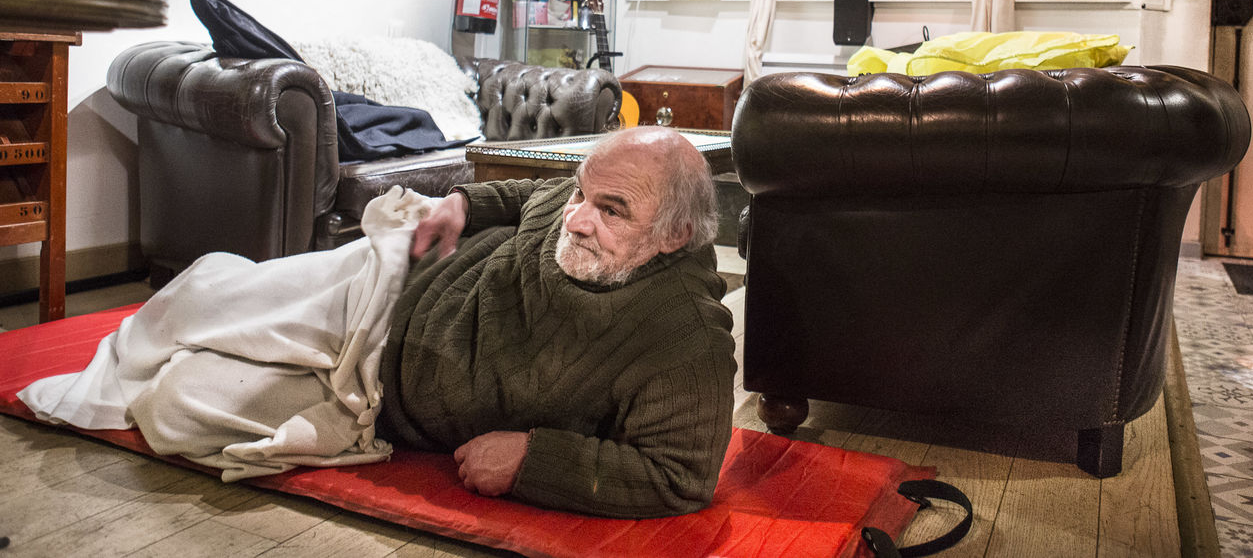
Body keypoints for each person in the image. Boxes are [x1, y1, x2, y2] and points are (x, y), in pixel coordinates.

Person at [20, 127, 736, 520]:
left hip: (370, 401)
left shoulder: (685, 339)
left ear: (674, 235)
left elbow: (679, 476)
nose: (577, 218)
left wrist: (532, 459)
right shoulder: (578, 199)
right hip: (383, 280)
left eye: (611, 210)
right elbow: (528, 195)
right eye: (582, 193)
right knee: (199, 296)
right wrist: (462, 205)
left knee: (180, 404)